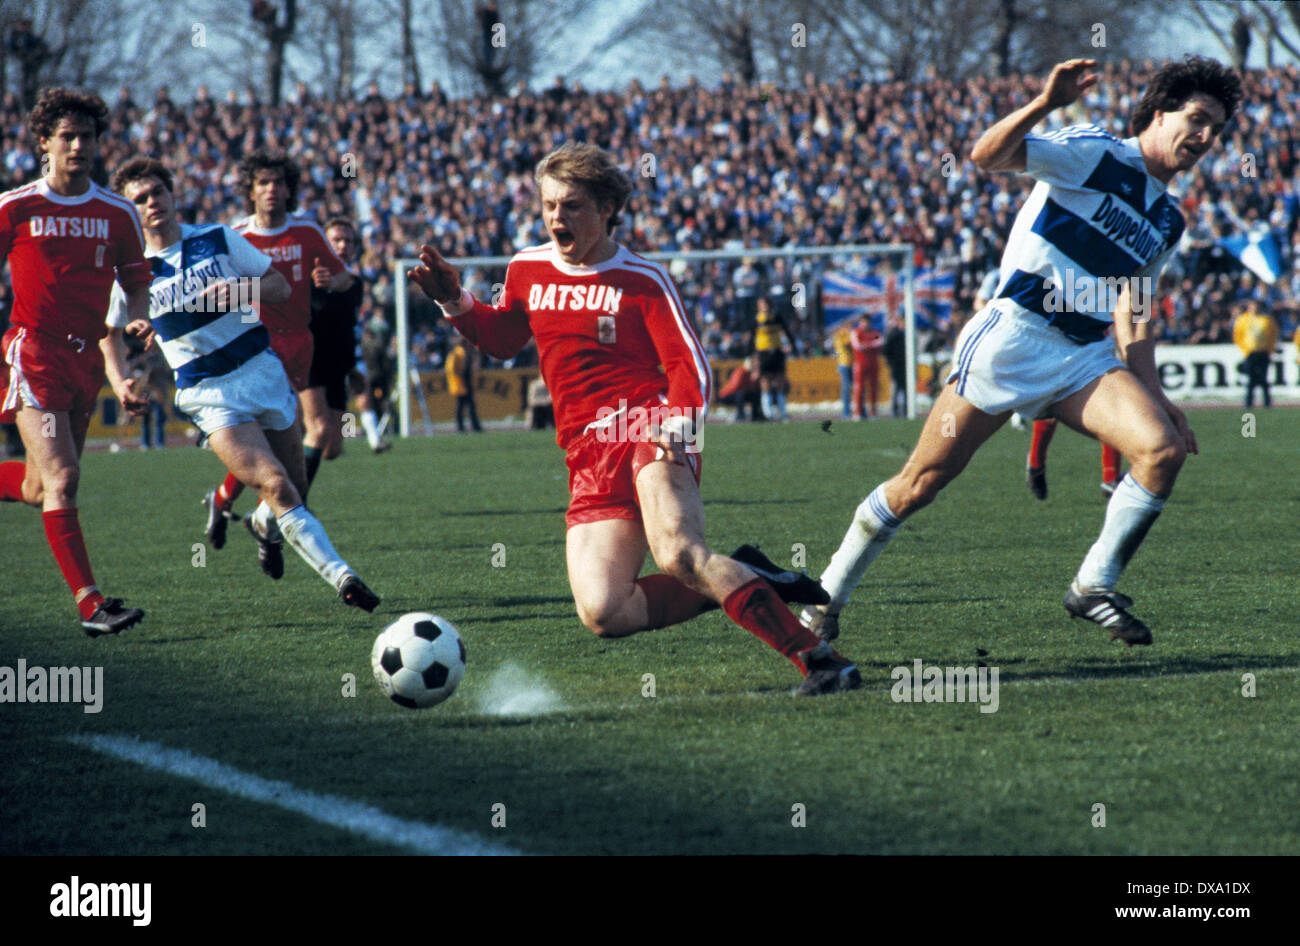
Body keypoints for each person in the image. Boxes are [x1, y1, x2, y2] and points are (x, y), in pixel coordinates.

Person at [805, 57, 1242, 648]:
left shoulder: (1169, 218)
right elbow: (987, 157)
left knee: (1161, 450)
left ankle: (1093, 585)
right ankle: (824, 601)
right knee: (921, 483)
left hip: (1083, 353)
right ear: (1159, 113)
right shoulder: (1097, 153)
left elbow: (1134, 310)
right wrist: (1043, 103)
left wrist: (1158, 395)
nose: (1206, 138)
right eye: (1197, 120)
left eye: (1217, 130)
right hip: (1015, 338)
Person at [408, 141, 859, 695]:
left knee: (678, 554)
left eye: (572, 206)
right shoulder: (526, 268)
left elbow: (689, 366)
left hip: (648, 428)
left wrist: (678, 420)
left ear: (605, 210)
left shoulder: (642, 278)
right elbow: (504, 339)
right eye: (549, 205)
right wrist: (455, 301)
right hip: (585, 455)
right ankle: (743, 573)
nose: (557, 217)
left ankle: (820, 660)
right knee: (604, 612)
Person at [104, 157, 379, 610]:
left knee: (294, 488)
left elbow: (278, 286)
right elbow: (109, 333)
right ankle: (344, 579)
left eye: (158, 193)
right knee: (276, 484)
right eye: (140, 199)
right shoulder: (130, 272)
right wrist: (119, 381)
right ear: (130, 211)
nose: (152, 203)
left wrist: (236, 290)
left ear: (173, 195)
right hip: (209, 394)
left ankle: (264, 529)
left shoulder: (218, 238)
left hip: (262, 371)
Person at [0, 88, 153, 636]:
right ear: (44, 141)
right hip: (34, 351)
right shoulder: (15, 206)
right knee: (64, 478)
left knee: (44, 488)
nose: (78, 146)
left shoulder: (117, 213)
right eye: (67, 136)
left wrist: (139, 319)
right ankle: (93, 606)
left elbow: (138, 282)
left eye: (87, 136)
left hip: (87, 361)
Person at [203, 149, 353, 548]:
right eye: (263, 183)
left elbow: (344, 278)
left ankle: (229, 502)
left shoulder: (307, 232)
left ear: (289, 189)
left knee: (303, 433)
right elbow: (213, 295)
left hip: (300, 342)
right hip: (256, 348)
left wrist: (329, 280)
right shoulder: (235, 237)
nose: (272, 190)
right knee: (285, 434)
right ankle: (281, 511)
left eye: (279, 183)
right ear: (250, 192)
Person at [306, 216, 369, 457]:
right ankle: (286, 491)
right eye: (336, 240)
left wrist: (352, 368)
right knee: (319, 430)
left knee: (333, 448)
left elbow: (346, 329)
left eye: (348, 241)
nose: (343, 246)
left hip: (337, 368)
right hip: (307, 365)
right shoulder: (307, 278)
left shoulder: (355, 285)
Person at [752, 297, 793, 421]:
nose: (764, 307)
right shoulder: (756, 320)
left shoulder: (776, 317)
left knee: (780, 382)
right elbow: (751, 339)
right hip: (763, 353)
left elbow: (787, 332)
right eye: (761, 305)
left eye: (765, 304)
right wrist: (753, 357)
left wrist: (791, 345)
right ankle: (768, 414)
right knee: (765, 383)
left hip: (776, 352)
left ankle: (783, 413)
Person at [1232, 300, 1277, 408]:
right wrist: (1245, 349)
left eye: (1256, 307)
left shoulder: (1266, 320)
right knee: (1251, 379)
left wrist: (1269, 349)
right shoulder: (1243, 320)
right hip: (1251, 353)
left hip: (1263, 352)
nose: (1255, 309)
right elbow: (1238, 337)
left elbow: (1273, 336)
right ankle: (1249, 403)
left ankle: (1267, 403)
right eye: (1252, 306)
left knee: (1264, 379)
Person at [445, 332, 481, 432]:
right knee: (464, 406)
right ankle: (466, 426)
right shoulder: (459, 352)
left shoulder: (461, 352)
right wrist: (459, 378)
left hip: (464, 381)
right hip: (462, 382)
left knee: (466, 406)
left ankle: (468, 426)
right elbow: (453, 369)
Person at [882, 315, 907, 417]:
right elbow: (885, 351)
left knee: (905, 390)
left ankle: (905, 411)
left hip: (904, 367)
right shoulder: (894, 335)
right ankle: (894, 411)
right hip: (897, 367)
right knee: (896, 389)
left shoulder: (905, 334)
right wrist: (891, 363)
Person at [831, 323, 854, 418]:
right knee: (846, 387)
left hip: (851, 363)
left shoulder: (847, 334)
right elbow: (848, 345)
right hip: (844, 364)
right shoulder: (840, 335)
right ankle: (846, 412)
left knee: (852, 388)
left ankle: (853, 411)